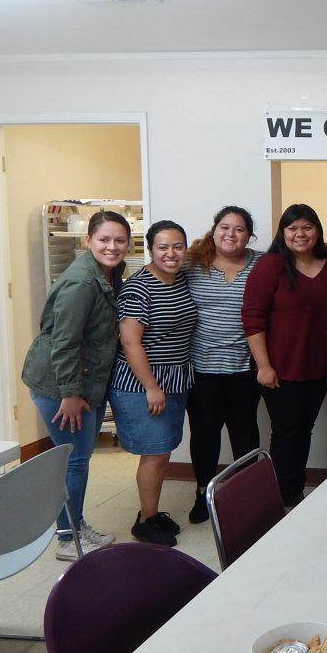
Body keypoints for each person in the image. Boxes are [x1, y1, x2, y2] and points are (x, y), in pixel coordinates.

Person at [21, 210, 127, 560]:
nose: (112, 247)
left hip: (82, 381)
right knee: (76, 460)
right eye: (104, 240)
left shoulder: (107, 275)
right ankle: (69, 537)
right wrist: (69, 393)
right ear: (88, 241)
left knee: (77, 457)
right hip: (61, 385)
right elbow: (64, 343)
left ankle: (72, 526)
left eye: (119, 240)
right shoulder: (81, 283)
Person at [243, 204, 327, 507]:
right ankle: (281, 497)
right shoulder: (270, 265)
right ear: (282, 232)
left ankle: (294, 490)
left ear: (318, 230)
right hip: (278, 369)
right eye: (292, 228)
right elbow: (252, 317)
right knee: (285, 432)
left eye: (307, 227)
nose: (300, 234)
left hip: (318, 367)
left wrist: (324, 245)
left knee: (304, 429)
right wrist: (263, 366)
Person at [110, 220, 197, 547]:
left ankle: (151, 511)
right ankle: (146, 521)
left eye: (177, 246)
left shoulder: (181, 279)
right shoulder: (139, 287)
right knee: (156, 452)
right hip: (142, 385)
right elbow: (131, 343)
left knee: (162, 450)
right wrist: (151, 386)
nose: (171, 253)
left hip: (175, 380)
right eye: (162, 247)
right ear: (150, 249)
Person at [183, 206, 261, 524]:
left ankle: (244, 495)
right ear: (214, 230)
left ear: (249, 235)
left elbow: (307, 252)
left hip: (244, 369)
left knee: (245, 436)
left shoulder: (261, 263)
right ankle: (204, 492)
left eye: (239, 229)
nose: (231, 234)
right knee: (205, 435)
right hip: (201, 370)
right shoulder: (191, 264)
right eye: (225, 227)